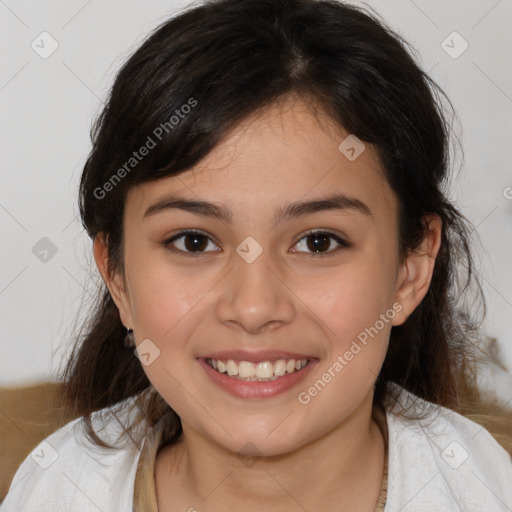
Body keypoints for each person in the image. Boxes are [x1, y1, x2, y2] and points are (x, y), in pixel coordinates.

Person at [2, 0, 511, 510]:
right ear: (117, 275)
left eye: (318, 242)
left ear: (410, 269)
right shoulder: (50, 491)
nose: (253, 307)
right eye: (194, 241)